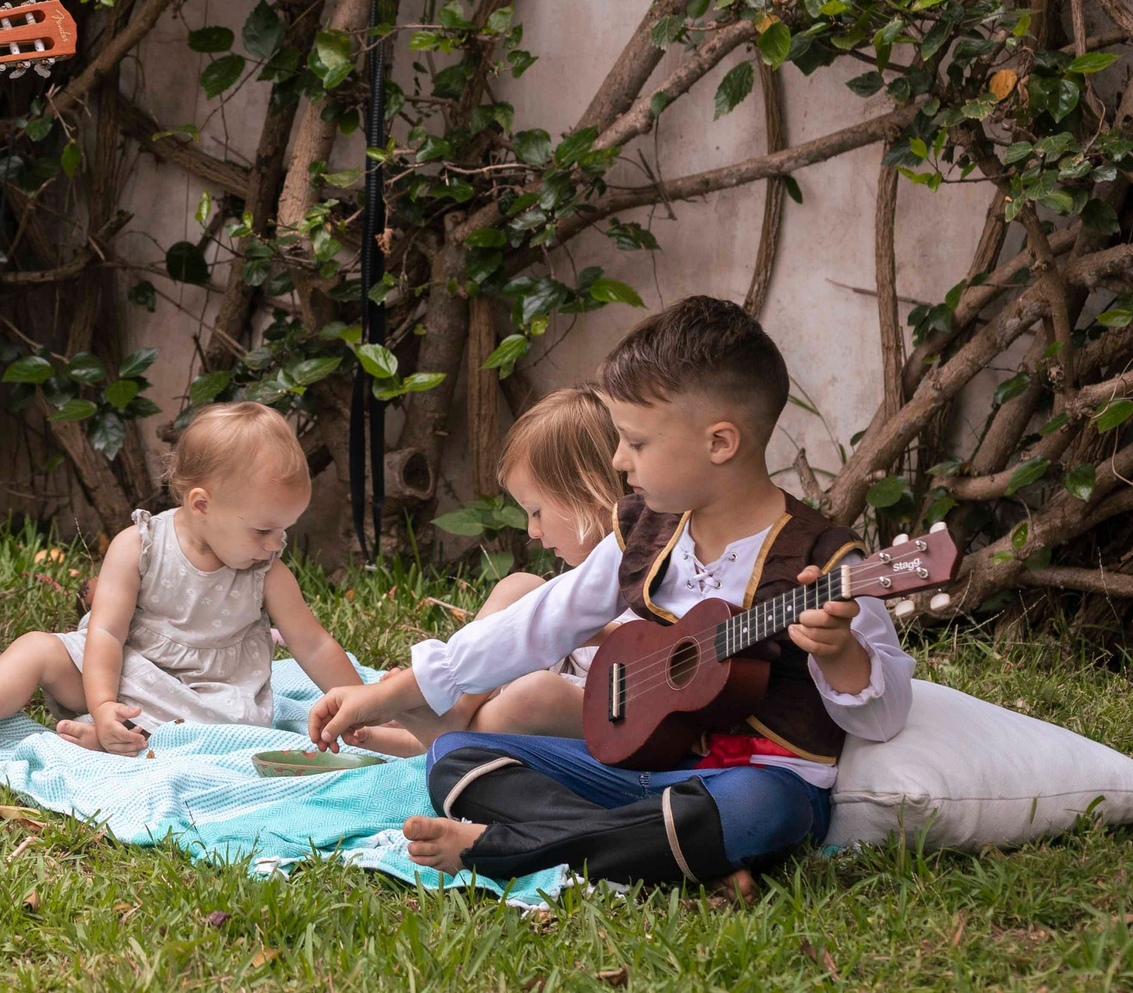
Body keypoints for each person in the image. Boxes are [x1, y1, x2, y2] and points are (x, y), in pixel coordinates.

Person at [307, 297, 914, 891]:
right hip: (631, 771)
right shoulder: (645, 531)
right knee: (458, 758)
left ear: (720, 443)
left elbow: (884, 718)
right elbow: (538, 623)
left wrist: (839, 655)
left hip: (744, 781)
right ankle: (656, 852)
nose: (620, 460)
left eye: (637, 442)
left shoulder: (829, 563)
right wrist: (389, 694)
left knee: (765, 807)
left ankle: (514, 848)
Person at [0, 402, 368, 757]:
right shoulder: (139, 546)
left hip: (209, 697)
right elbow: (107, 632)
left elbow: (314, 645)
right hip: (121, 672)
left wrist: (362, 705)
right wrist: (102, 702)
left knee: (227, 729)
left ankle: (117, 743)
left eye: (285, 529)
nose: (276, 542)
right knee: (36, 647)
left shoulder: (267, 572)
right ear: (202, 504)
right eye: (264, 528)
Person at [345, 387, 624, 756]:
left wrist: (586, 632)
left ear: (586, 492)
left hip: (619, 707)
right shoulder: (589, 571)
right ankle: (455, 711)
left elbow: (662, 638)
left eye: (536, 511)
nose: (532, 530)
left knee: (536, 693)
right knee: (520, 585)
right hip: (572, 677)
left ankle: (445, 741)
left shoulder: (645, 556)